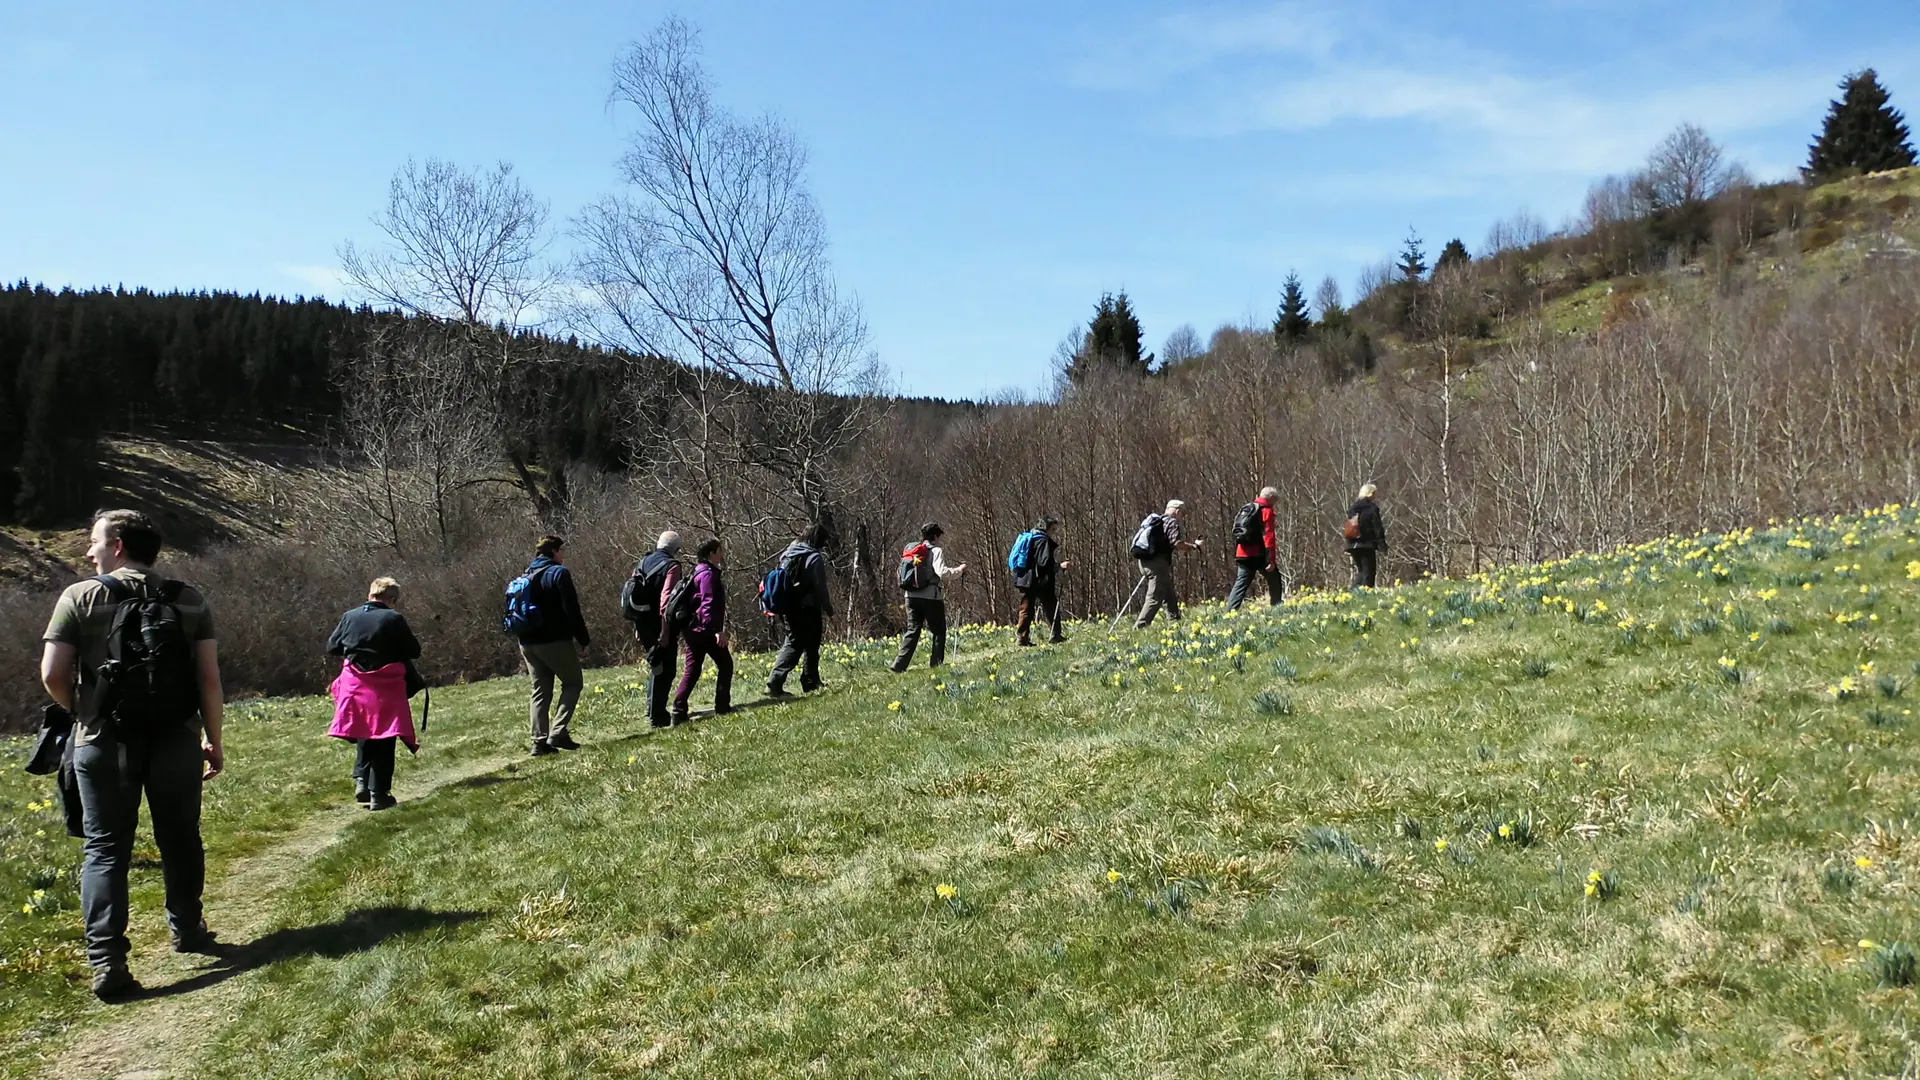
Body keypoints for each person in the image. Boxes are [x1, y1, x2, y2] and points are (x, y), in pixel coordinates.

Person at [39, 509, 224, 1000]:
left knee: (105, 848)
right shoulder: (188, 599)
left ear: (118, 544)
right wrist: (213, 738)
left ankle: (107, 961)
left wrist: (84, 711)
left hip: (103, 742)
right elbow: (208, 678)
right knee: (181, 837)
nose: (88, 550)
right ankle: (188, 928)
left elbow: (53, 674)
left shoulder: (80, 597)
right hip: (175, 740)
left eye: (94, 541)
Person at [325, 577, 423, 811]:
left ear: (370, 594)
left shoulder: (350, 616)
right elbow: (413, 650)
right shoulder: (393, 618)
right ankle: (379, 793)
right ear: (391, 599)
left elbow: (332, 647)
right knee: (385, 735)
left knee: (363, 731)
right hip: (385, 685)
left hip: (355, 683)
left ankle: (361, 781)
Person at [513, 534, 591, 756]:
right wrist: (583, 639)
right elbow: (572, 611)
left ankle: (538, 742)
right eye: (562, 550)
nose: (564, 554)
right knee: (573, 683)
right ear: (554, 551)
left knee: (540, 690)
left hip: (527, 642)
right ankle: (558, 732)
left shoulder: (526, 574)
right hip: (554, 640)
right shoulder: (559, 573)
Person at [623, 531, 684, 728]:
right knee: (666, 669)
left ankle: (653, 710)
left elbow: (635, 592)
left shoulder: (643, 561)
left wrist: (637, 626)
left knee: (656, 665)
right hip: (659, 624)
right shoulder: (672, 566)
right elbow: (666, 600)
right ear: (676, 549)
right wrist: (665, 632)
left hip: (642, 622)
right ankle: (657, 714)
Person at [670, 538, 733, 723]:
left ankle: (678, 711)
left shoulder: (697, 571)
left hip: (693, 630)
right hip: (704, 631)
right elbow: (708, 604)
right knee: (725, 665)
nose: (722, 553)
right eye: (720, 550)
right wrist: (715, 631)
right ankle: (722, 707)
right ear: (712, 553)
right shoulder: (708, 575)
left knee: (693, 670)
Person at [767, 523, 833, 697]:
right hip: (808, 607)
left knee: (795, 641)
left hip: (788, 607)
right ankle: (801, 680)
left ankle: (802, 680)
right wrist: (828, 607)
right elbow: (820, 587)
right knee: (808, 644)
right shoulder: (814, 557)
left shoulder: (789, 552)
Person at [891, 522, 966, 672]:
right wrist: (959, 570)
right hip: (930, 598)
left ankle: (899, 664)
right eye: (939, 536)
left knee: (913, 630)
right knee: (939, 630)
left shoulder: (912, 550)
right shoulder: (936, 551)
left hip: (910, 596)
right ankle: (936, 664)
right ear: (935, 536)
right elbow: (942, 573)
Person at [1134, 499, 1202, 629]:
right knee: (1154, 598)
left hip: (1143, 562)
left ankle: (1175, 622)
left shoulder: (1156, 521)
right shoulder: (1172, 522)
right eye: (1183, 513)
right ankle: (1140, 627)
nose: (1183, 517)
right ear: (1177, 511)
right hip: (1157, 564)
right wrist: (1194, 546)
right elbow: (1177, 543)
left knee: (1168, 593)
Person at [1013, 516, 1072, 647]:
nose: (1054, 532)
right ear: (1047, 528)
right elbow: (1044, 562)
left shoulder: (1030, 537)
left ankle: (1022, 638)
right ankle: (1055, 635)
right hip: (1039, 580)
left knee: (1026, 609)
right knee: (1051, 606)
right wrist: (1059, 566)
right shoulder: (1042, 540)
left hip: (1024, 578)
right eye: (1053, 529)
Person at [1226, 486, 1285, 611]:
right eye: (1275, 500)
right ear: (1271, 498)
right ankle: (1277, 607)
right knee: (1274, 579)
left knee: (1241, 583)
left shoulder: (1248, 508)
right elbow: (1269, 536)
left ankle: (1230, 611)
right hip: (1258, 553)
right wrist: (1270, 560)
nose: (1275, 503)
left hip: (1242, 552)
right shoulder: (1266, 511)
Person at [1346, 483, 1388, 588]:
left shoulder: (1353, 508)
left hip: (1352, 544)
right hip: (1366, 544)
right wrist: (1382, 545)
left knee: (1361, 571)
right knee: (1369, 572)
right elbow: (1377, 528)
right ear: (1370, 494)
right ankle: (1365, 595)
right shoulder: (1372, 508)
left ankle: (1353, 593)